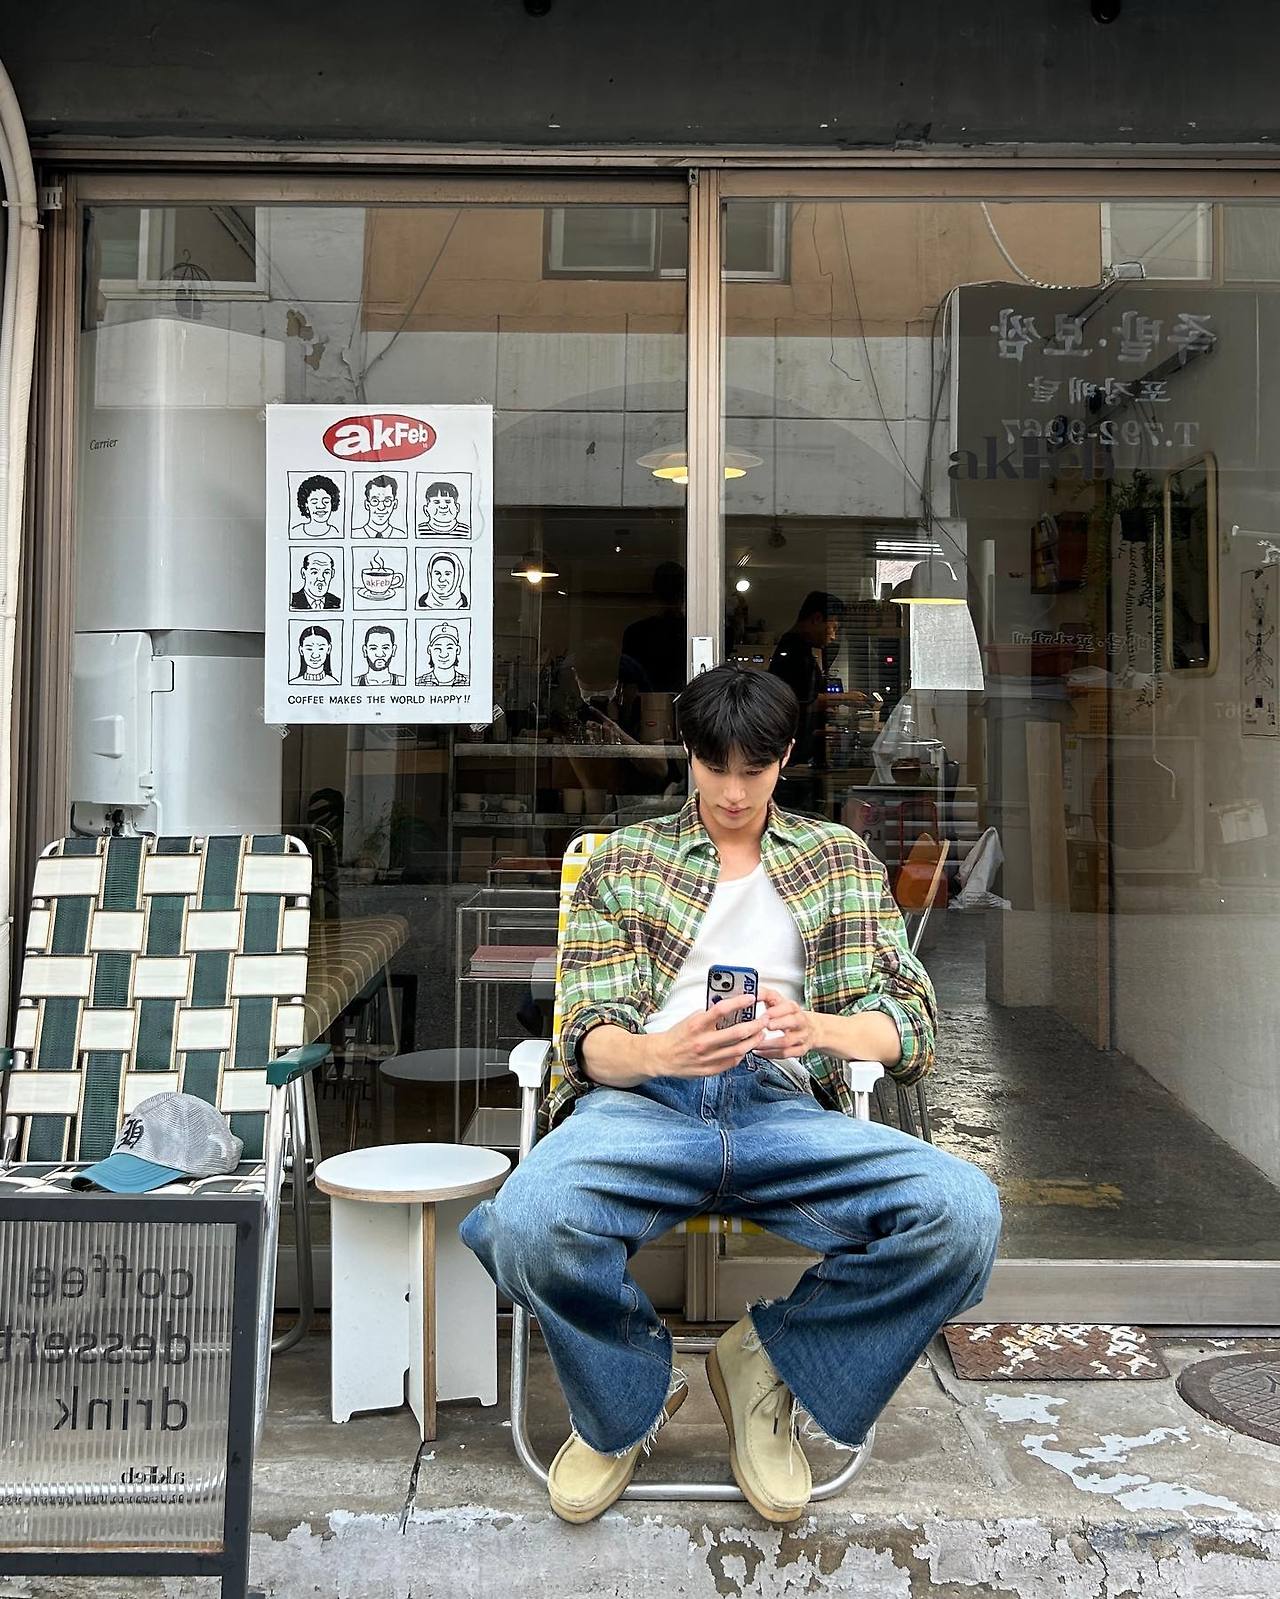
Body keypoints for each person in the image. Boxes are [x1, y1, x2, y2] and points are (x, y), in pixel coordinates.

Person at [460, 664, 1000, 1526]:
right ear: (689, 753)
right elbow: (585, 1031)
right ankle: (625, 1403)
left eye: (755, 769)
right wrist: (657, 1048)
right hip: (645, 1104)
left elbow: (913, 1024)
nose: (735, 791)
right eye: (716, 768)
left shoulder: (836, 857)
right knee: (524, 1221)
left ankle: (767, 1364)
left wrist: (817, 1029)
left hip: (783, 1106)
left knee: (964, 1213)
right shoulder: (625, 860)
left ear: (786, 757)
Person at [768, 590, 846, 765]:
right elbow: (802, 703)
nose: (834, 636)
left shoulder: (801, 649)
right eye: (833, 627)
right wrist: (846, 698)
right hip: (793, 755)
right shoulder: (794, 653)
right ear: (817, 619)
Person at [615, 561, 686, 738]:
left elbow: (628, 689)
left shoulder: (636, 631)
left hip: (646, 717)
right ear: (685, 592)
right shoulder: (693, 631)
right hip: (685, 713)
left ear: (654, 592)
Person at [415, 621, 469, 686]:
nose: (444, 654)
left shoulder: (468, 681)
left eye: (449, 648)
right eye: (437, 648)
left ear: (457, 650)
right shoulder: (419, 682)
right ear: (429, 650)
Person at [354, 473, 407, 538]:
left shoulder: (401, 535)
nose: (381, 508)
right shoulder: (355, 534)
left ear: (395, 504)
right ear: (367, 504)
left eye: (387, 501)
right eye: (375, 501)